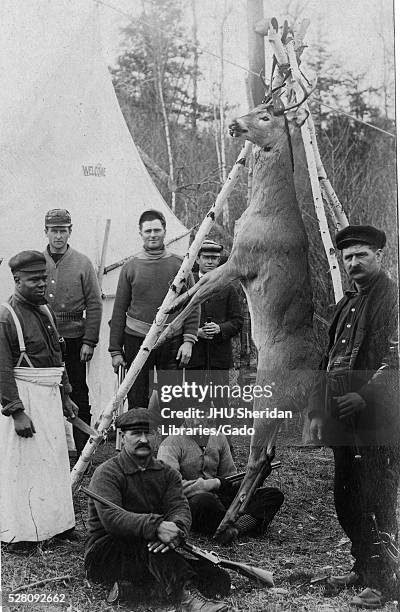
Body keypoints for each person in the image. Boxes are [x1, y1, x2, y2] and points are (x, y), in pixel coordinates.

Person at [308, 225, 399, 609]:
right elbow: (326, 361)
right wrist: (315, 410)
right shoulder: (345, 304)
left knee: (377, 499)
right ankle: (364, 567)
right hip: (341, 419)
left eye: (361, 254)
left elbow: (395, 360)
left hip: (378, 420)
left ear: (379, 254)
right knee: (346, 498)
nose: (353, 262)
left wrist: (364, 397)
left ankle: (385, 581)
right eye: (347, 257)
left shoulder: (393, 298)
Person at [85, 408, 229, 611]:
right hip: (108, 552)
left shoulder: (166, 473)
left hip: (152, 544)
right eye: (136, 434)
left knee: (217, 578)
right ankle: (185, 599)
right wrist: (157, 527)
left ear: (157, 436)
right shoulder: (108, 472)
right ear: (122, 437)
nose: (144, 439)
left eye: (149, 433)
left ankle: (133, 591)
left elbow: (179, 506)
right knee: (153, 550)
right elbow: (112, 518)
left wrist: (176, 530)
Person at [0, 251, 78, 549]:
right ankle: (20, 534)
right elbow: (2, 369)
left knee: (53, 461)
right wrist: (16, 411)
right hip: (24, 397)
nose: (41, 284)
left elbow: (58, 358)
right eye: (34, 280)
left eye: (44, 278)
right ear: (17, 280)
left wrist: (66, 395)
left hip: (48, 396)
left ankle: (57, 526)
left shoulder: (45, 310)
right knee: (23, 466)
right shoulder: (7, 315)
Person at [109, 209, 199, 409]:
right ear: (140, 233)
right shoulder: (130, 268)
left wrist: (188, 341)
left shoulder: (180, 265)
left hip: (171, 339)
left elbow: (192, 304)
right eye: (148, 230)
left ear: (165, 231)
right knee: (137, 397)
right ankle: (140, 440)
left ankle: (170, 441)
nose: (152, 235)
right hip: (136, 339)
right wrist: (115, 350)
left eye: (157, 230)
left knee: (172, 399)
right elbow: (119, 310)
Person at [157, 414, 284, 543]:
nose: (196, 421)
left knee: (272, 495)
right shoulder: (170, 444)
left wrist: (258, 475)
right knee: (204, 501)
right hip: (192, 503)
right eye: (191, 415)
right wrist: (214, 483)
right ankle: (239, 523)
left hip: (220, 500)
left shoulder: (218, 438)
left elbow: (230, 480)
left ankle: (235, 529)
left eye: (202, 415)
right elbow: (171, 489)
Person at [43, 208, 102, 456]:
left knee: (78, 390)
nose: (58, 236)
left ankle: (82, 450)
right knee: (46, 391)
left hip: (75, 339)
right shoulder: (36, 262)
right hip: (44, 340)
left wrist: (89, 341)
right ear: (46, 232)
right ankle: (51, 450)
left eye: (63, 231)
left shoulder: (83, 263)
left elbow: (95, 303)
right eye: (54, 231)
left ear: (70, 231)